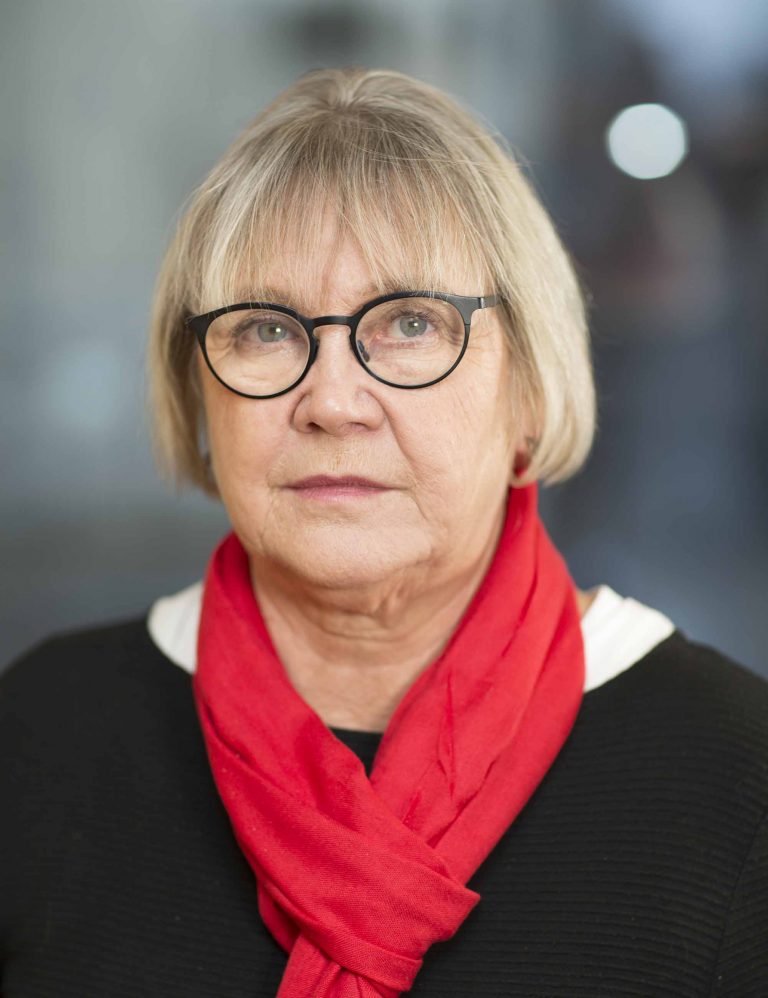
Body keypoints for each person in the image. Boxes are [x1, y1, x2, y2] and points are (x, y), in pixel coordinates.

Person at [1, 66, 767, 998]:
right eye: (266, 329)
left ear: (530, 389)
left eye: (410, 321)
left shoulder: (739, 776)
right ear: (199, 394)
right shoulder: (37, 736)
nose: (331, 401)